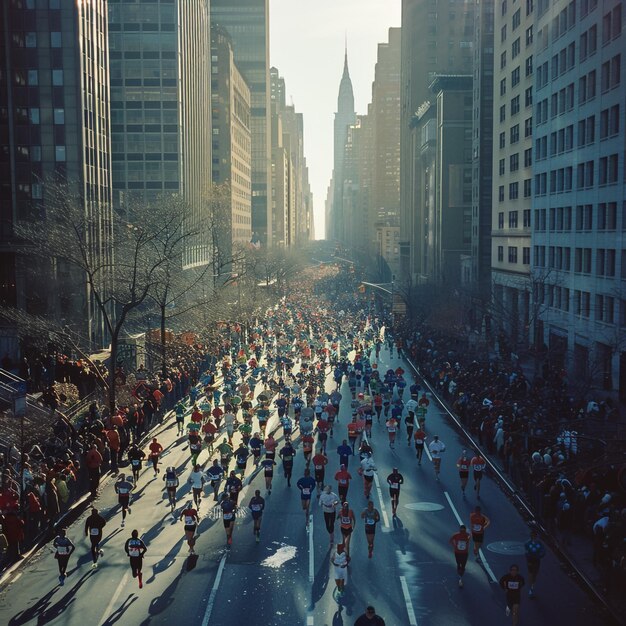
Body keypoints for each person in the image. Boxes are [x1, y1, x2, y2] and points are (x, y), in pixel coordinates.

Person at [524, 529, 545, 597]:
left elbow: (543, 552)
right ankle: (530, 589)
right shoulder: (527, 543)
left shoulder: (539, 543)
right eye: (532, 535)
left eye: (534, 535)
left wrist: (539, 556)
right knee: (531, 574)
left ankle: (532, 586)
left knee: (534, 574)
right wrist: (529, 560)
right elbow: (526, 553)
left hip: (536, 560)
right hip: (531, 560)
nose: (533, 536)